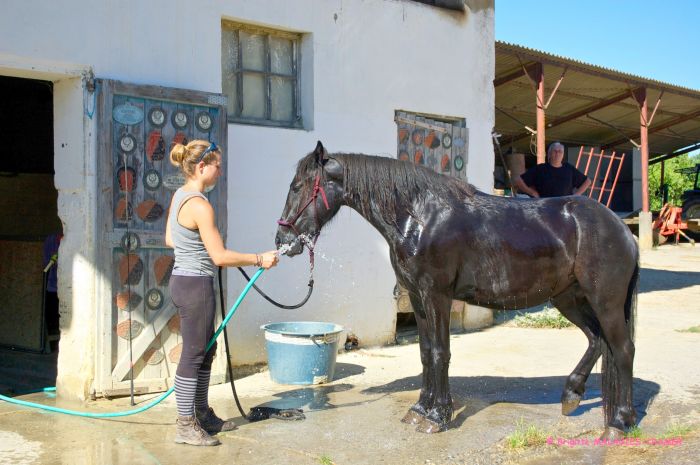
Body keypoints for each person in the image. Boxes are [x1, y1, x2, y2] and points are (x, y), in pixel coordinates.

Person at [165, 139, 279, 446]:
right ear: (202, 167)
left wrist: (195, 246)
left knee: (207, 349)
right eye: (218, 166)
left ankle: (201, 413)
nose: (220, 171)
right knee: (193, 354)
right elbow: (220, 257)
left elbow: (169, 239)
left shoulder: (180, 196)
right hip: (196, 285)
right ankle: (185, 426)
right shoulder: (200, 205)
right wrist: (259, 259)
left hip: (183, 280)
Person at [514, 142, 591, 198]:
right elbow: (518, 180)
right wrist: (532, 192)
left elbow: (587, 181)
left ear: (563, 154)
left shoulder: (569, 169)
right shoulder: (540, 169)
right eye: (555, 151)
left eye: (560, 151)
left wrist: (576, 195)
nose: (557, 154)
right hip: (544, 208)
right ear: (549, 154)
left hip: (564, 209)